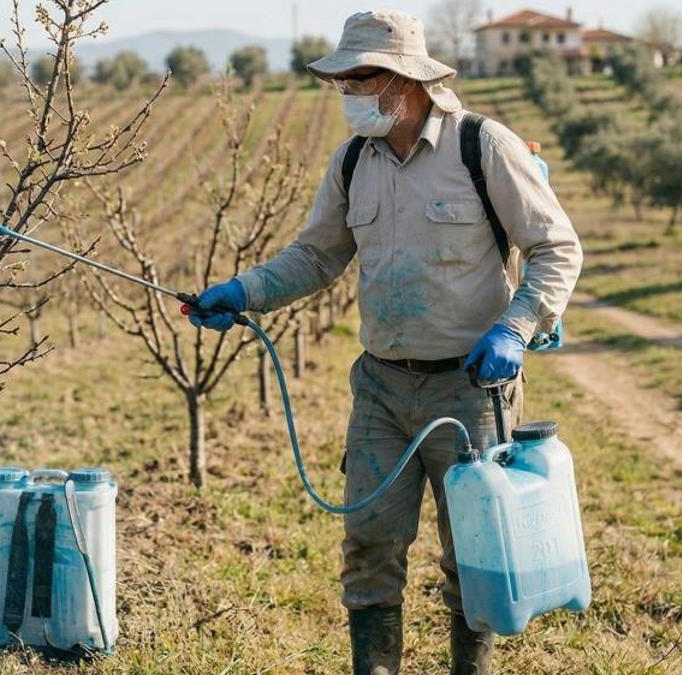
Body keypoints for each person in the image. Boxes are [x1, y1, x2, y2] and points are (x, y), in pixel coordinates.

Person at [185, 10, 583, 675]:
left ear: (403, 80)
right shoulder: (352, 162)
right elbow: (316, 257)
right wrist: (244, 290)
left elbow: (556, 247)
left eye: (359, 79)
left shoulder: (480, 146)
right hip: (381, 387)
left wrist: (515, 327)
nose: (347, 95)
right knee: (369, 544)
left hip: (470, 387)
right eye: (341, 81)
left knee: (474, 552)